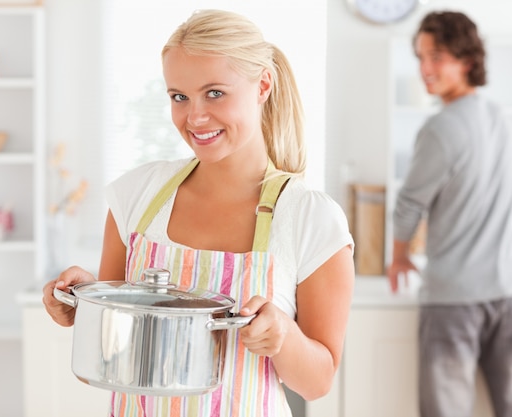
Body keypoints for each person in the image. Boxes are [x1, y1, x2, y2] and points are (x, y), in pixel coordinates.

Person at [42, 9, 355, 417]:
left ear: (263, 85)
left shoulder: (310, 219)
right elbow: (116, 346)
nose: (195, 117)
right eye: (179, 97)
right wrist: (86, 302)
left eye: (215, 93)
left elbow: (319, 381)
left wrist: (284, 337)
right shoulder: (137, 196)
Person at [387, 10, 512, 417]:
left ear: (467, 60)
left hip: (453, 302)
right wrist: (504, 246)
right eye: (420, 57)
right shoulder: (501, 120)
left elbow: (409, 204)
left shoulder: (440, 129)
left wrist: (399, 255)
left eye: (436, 56)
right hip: (510, 293)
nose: (424, 69)